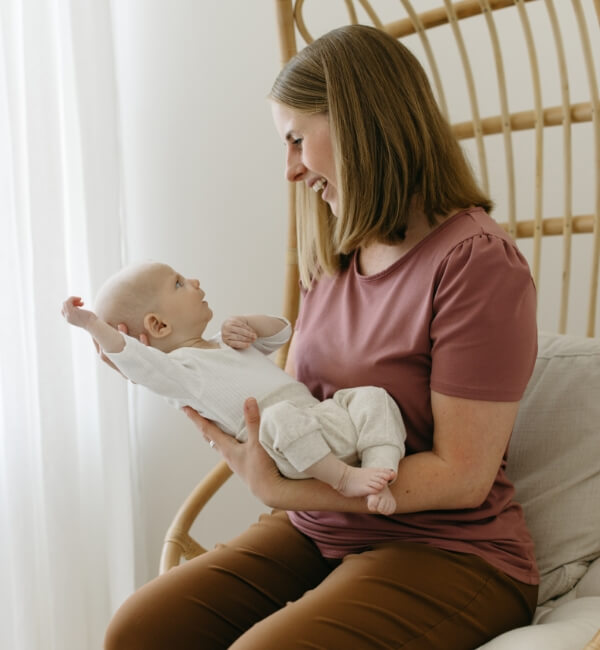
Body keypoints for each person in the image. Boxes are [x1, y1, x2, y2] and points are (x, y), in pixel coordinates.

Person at [104, 24, 539, 650]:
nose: (289, 170)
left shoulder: (476, 262)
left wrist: (280, 490)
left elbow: (462, 476)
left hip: (449, 551)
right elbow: (299, 408)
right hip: (319, 529)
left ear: (361, 124)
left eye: (296, 140)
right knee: (139, 630)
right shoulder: (337, 251)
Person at [62, 261, 405, 514]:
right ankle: (345, 479)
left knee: (371, 397)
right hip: (288, 446)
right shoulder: (179, 374)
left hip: (320, 419)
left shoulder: (223, 342)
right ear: (158, 324)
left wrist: (249, 325)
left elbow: (284, 332)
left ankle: (381, 470)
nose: (194, 280)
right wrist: (91, 324)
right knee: (278, 416)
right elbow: (132, 357)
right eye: (179, 284)